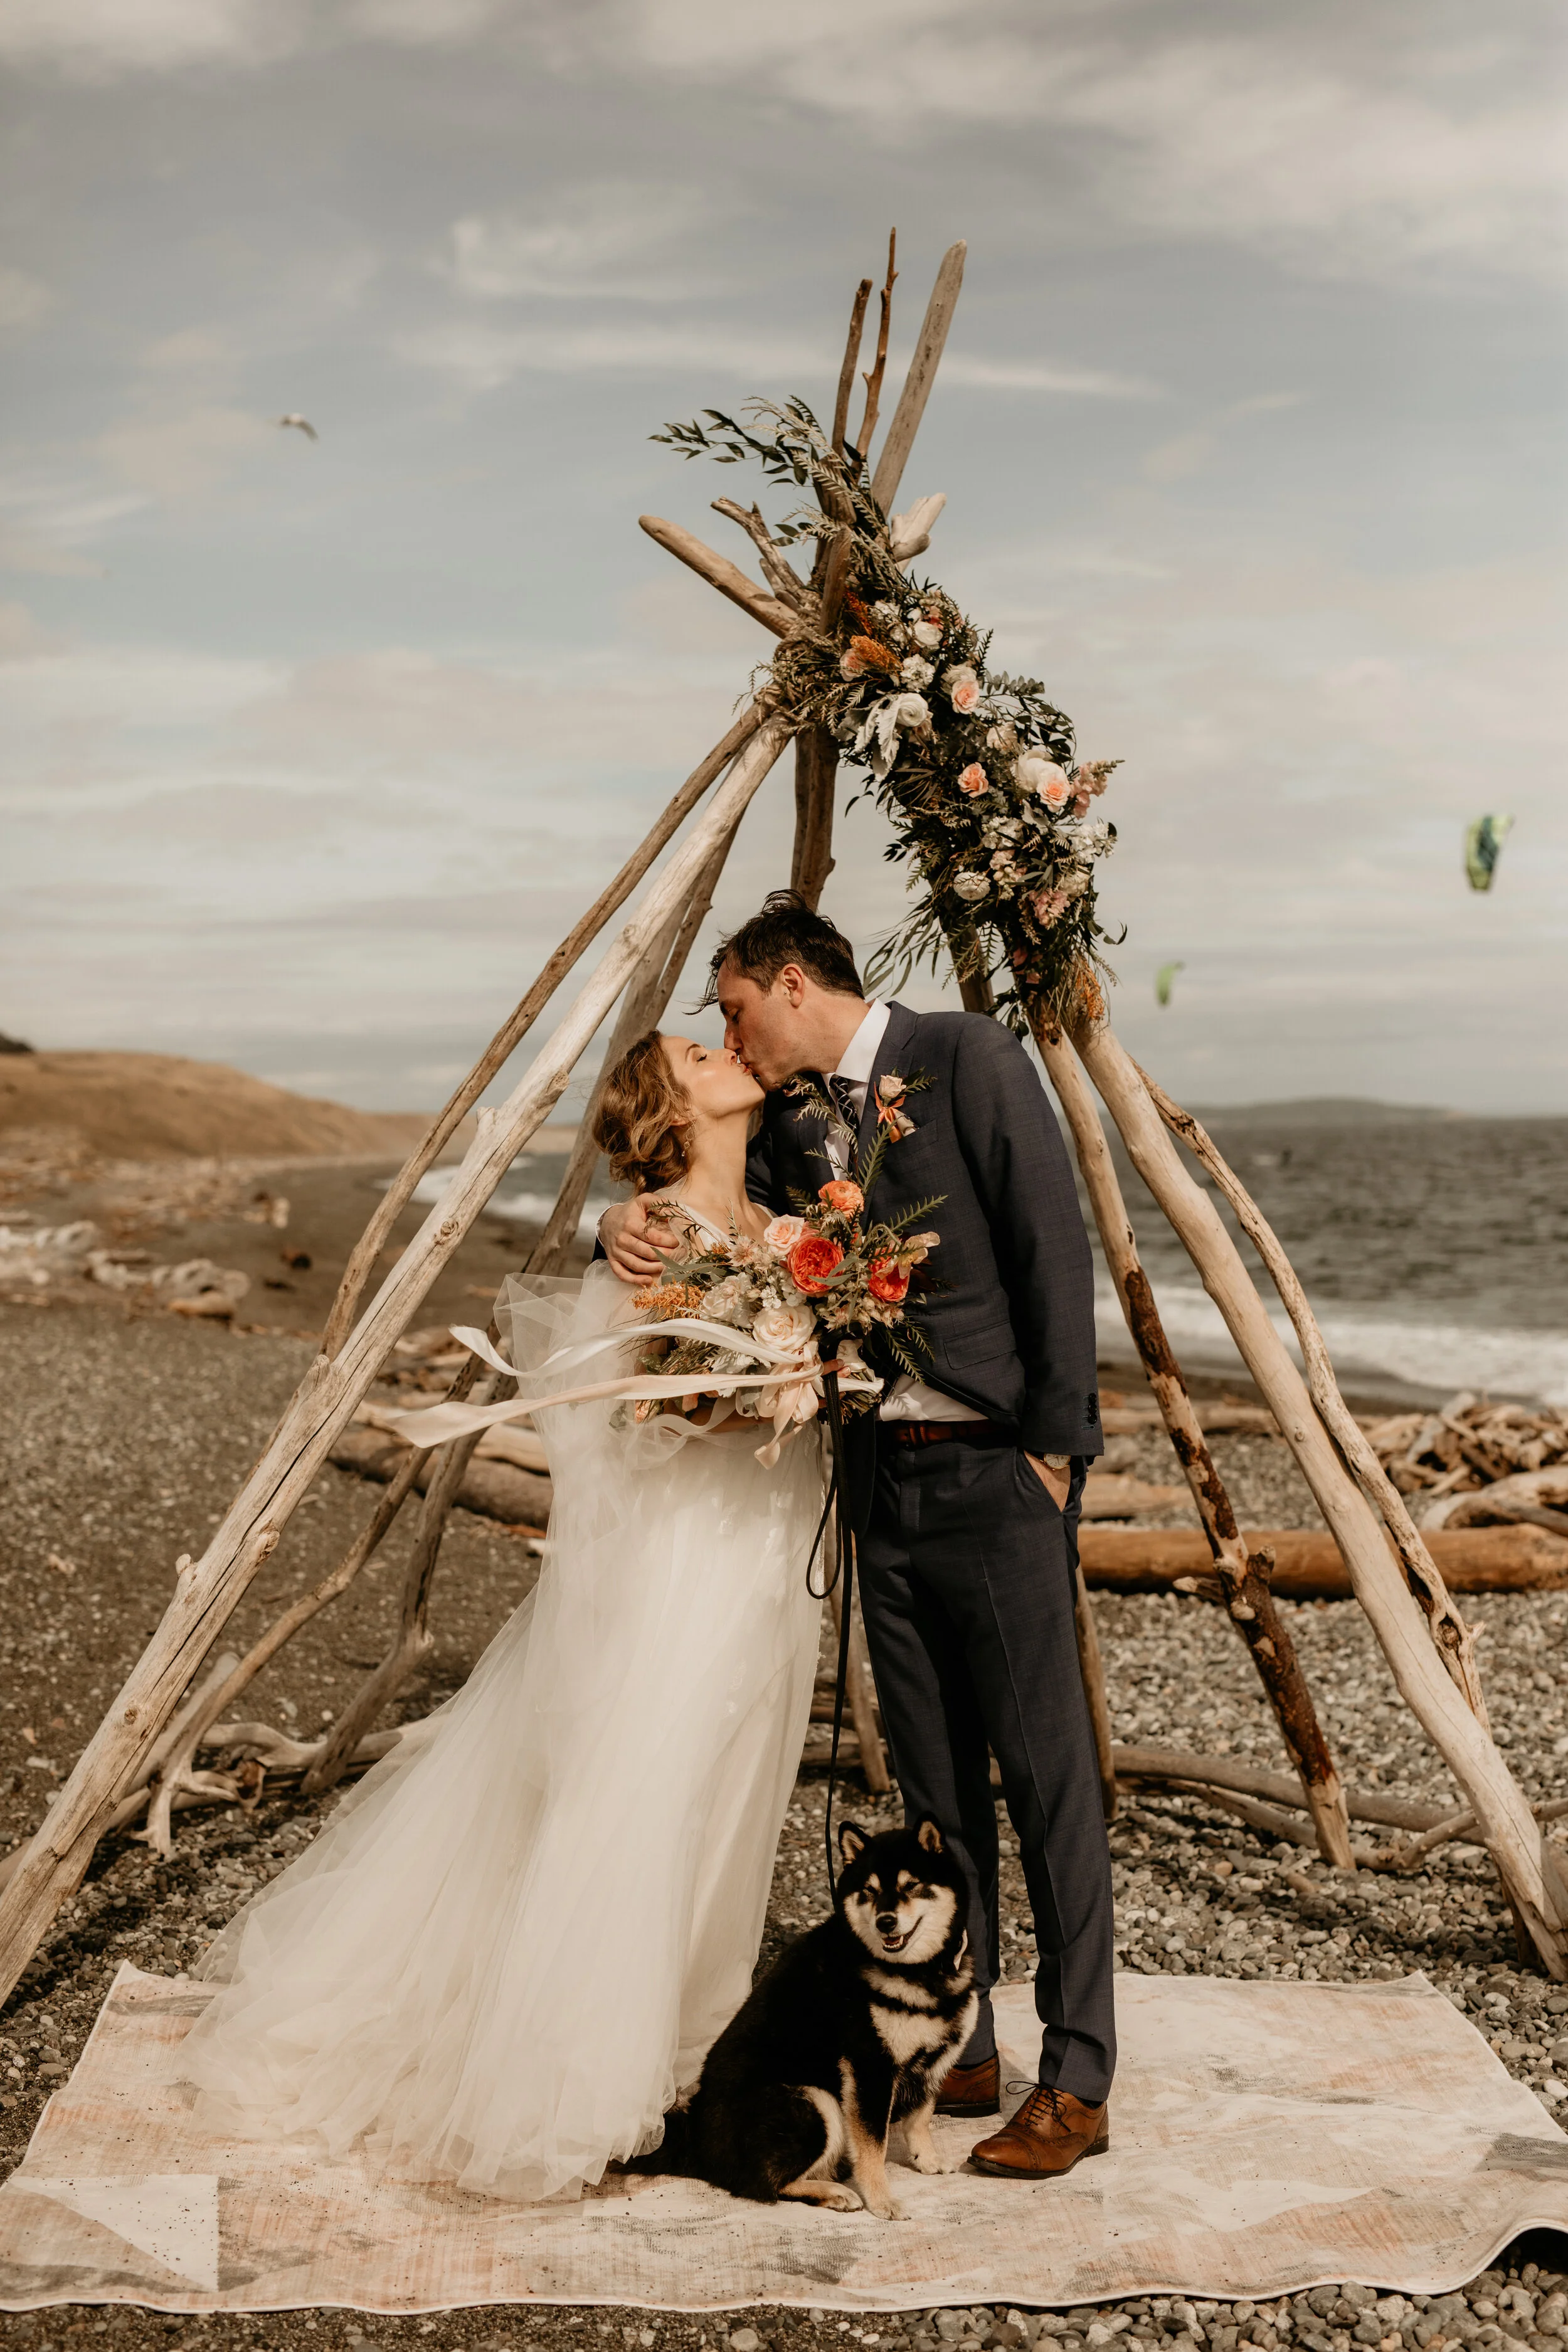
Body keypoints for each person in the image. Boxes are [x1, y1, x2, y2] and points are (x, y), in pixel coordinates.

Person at [172, 1031, 825, 2203]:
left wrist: (804, 1378)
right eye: (694, 1046)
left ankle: (685, 2046)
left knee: (734, 1778)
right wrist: (751, 1401)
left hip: (764, 1547)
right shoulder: (653, 1238)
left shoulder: (784, 1229)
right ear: (668, 1105)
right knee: (646, 1780)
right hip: (679, 1555)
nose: (722, 1045)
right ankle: (583, 2077)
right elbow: (624, 1414)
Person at [600, 892, 1114, 2180]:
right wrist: (618, 1222)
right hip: (878, 1491)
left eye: (730, 1009)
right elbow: (705, 1216)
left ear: (785, 985)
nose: (729, 1035)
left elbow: (1052, 1249)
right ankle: (966, 2040)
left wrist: (1057, 1451)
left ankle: (1079, 2074)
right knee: (933, 1797)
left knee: (1046, 1781)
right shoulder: (781, 1127)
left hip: (998, 1475)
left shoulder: (967, 1059)